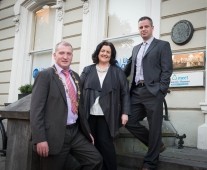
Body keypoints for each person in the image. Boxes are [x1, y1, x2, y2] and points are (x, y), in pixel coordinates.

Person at [30, 41, 103, 170]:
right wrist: (40, 139)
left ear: (72, 56)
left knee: (95, 160)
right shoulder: (45, 76)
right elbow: (36, 110)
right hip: (54, 134)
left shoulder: (75, 76)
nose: (65, 56)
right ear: (54, 55)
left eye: (69, 53)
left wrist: (87, 132)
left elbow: (79, 108)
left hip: (75, 132)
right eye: (61, 53)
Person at [124, 16, 173, 170]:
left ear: (152, 28)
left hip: (153, 92)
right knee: (128, 121)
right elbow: (128, 68)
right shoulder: (136, 48)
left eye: (146, 26)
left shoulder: (162, 45)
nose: (143, 29)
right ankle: (157, 145)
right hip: (136, 92)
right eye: (141, 27)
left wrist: (161, 90)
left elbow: (167, 70)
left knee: (155, 127)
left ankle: (150, 163)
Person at [80, 41, 130, 170]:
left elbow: (125, 93)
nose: (105, 54)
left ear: (111, 55)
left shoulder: (117, 72)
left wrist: (125, 112)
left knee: (106, 144)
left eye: (108, 52)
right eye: (103, 51)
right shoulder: (87, 70)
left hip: (108, 115)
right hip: (89, 114)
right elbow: (78, 90)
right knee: (90, 144)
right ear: (98, 52)